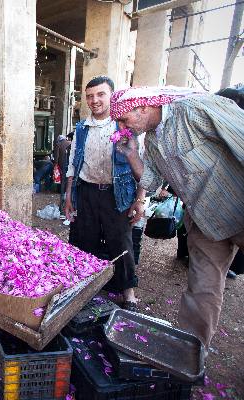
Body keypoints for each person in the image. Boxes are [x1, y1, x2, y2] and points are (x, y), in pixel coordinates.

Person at [110, 85, 244, 349]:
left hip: (238, 206)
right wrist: (132, 155)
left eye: (125, 119)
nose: (122, 127)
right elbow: (151, 181)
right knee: (202, 291)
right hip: (204, 222)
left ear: (145, 107)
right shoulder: (152, 140)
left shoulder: (194, 109)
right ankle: (192, 352)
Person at [64, 76, 140, 310]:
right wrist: (68, 195)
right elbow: (73, 163)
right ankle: (87, 288)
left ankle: (128, 293)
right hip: (86, 192)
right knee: (85, 241)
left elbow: (141, 164)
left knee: (121, 242)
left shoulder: (125, 125)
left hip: (116, 194)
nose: (94, 100)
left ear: (111, 96)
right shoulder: (81, 127)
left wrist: (140, 199)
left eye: (100, 94)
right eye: (89, 96)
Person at [54, 132, 73, 211]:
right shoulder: (70, 143)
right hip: (71, 166)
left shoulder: (59, 144)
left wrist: (56, 164)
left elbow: (57, 156)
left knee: (63, 182)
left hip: (63, 165)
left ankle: (62, 205)